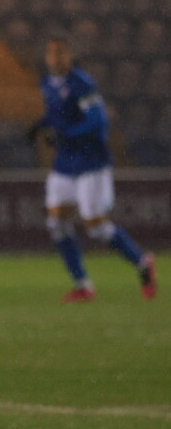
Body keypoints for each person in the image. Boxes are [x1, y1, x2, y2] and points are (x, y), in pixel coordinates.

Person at [31, 36, 156, 303]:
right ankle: (82, 284)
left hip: (91, 163)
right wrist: (39, 125)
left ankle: (142, 262)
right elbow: (56, 115)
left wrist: (65, 136)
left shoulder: (82, 83)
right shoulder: (47, 83)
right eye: (51, 53)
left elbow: (97, 121)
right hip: (64, 163)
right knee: (57, 223)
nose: (55, 58)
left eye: (61, 53)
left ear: (70, 55)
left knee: (95, 226)